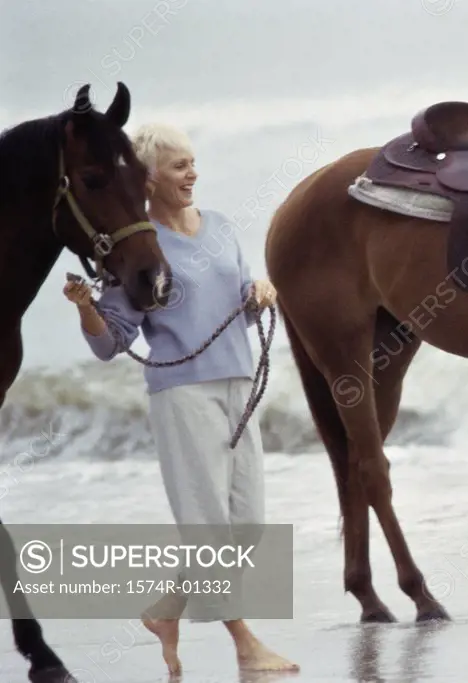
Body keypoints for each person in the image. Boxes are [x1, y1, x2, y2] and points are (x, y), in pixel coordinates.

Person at [62, 122, 299, 674]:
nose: (192, 174)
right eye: (178, 166)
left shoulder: (218, 227)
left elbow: (236, 299)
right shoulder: (137, 249)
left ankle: (166, 612)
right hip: (182, 393)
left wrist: (258, 292)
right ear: (149, 178)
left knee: (248, 525)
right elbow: (111, 343)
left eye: (192, 163)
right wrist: (85, 307)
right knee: (208, 526)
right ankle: (245, 643)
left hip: (239, 382)